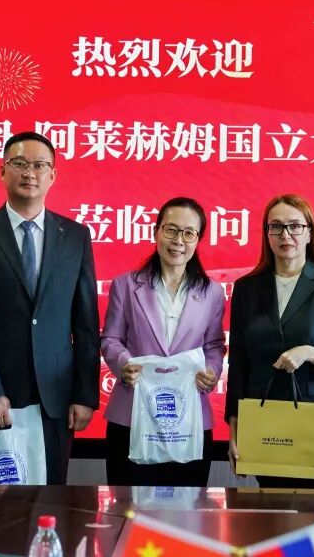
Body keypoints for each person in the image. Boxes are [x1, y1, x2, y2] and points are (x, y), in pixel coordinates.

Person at [0, 131, 100, 484]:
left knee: (51, 500)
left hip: (56, 400)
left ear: (53, 175)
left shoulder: (75, 236)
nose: (30, 173)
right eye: (19, 163)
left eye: (39, 165)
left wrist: (85, 394)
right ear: (3, 171)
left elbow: (86, 323)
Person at [225, 194, 314, 489]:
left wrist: (313, 353)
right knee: (273, 512)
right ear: (267, 234)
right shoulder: (247, 289)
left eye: (295, 226)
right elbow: (238, 364)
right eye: (276, 227)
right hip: (265, 424)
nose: (285, 234)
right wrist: (235, 430)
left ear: (309, 233)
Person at [101, 197, 226, 487]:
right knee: (127, 507)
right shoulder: (126, 285)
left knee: (187, 508)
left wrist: (211, 371)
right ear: (156, 231)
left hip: (189, 419)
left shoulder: (212, 292)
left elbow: (214, 345)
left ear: (198, 239)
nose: (178, 240)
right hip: (132, 416)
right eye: (171, 230)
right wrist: (124, 364)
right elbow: (111, 338)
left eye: (189, 233)